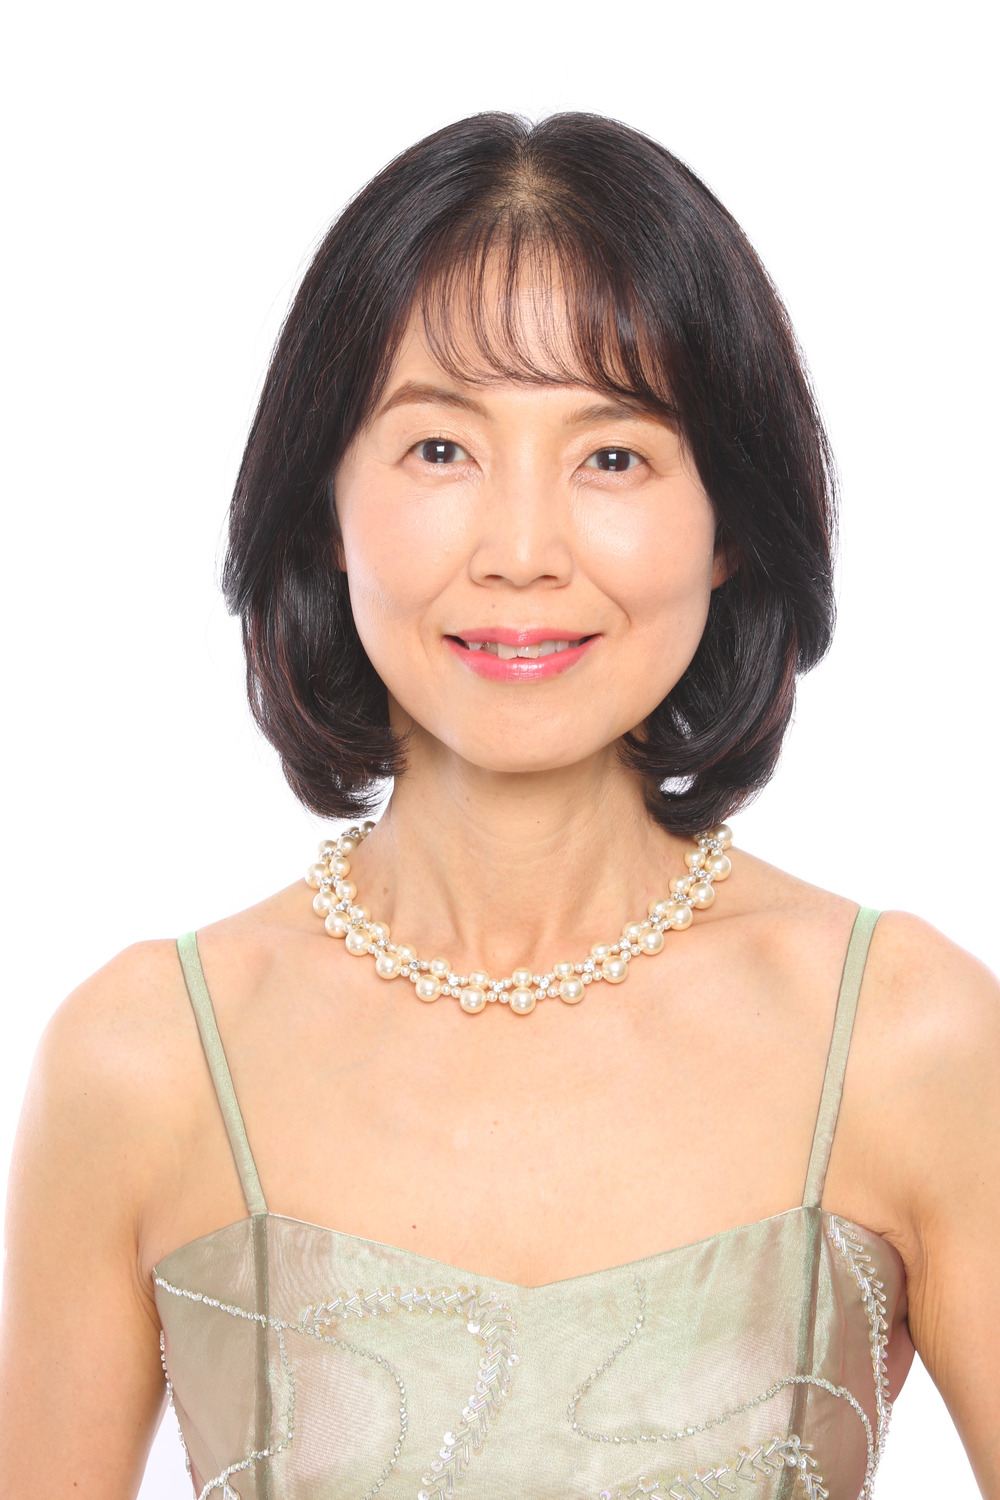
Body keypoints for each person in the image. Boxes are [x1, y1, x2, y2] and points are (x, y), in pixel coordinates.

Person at [1, 111, 997, 1500]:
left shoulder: (909, 1037)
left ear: (729, 524)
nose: (522, 553)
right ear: (322, 504)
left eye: (613, 457)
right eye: (439, 450)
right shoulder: (142, 1060)